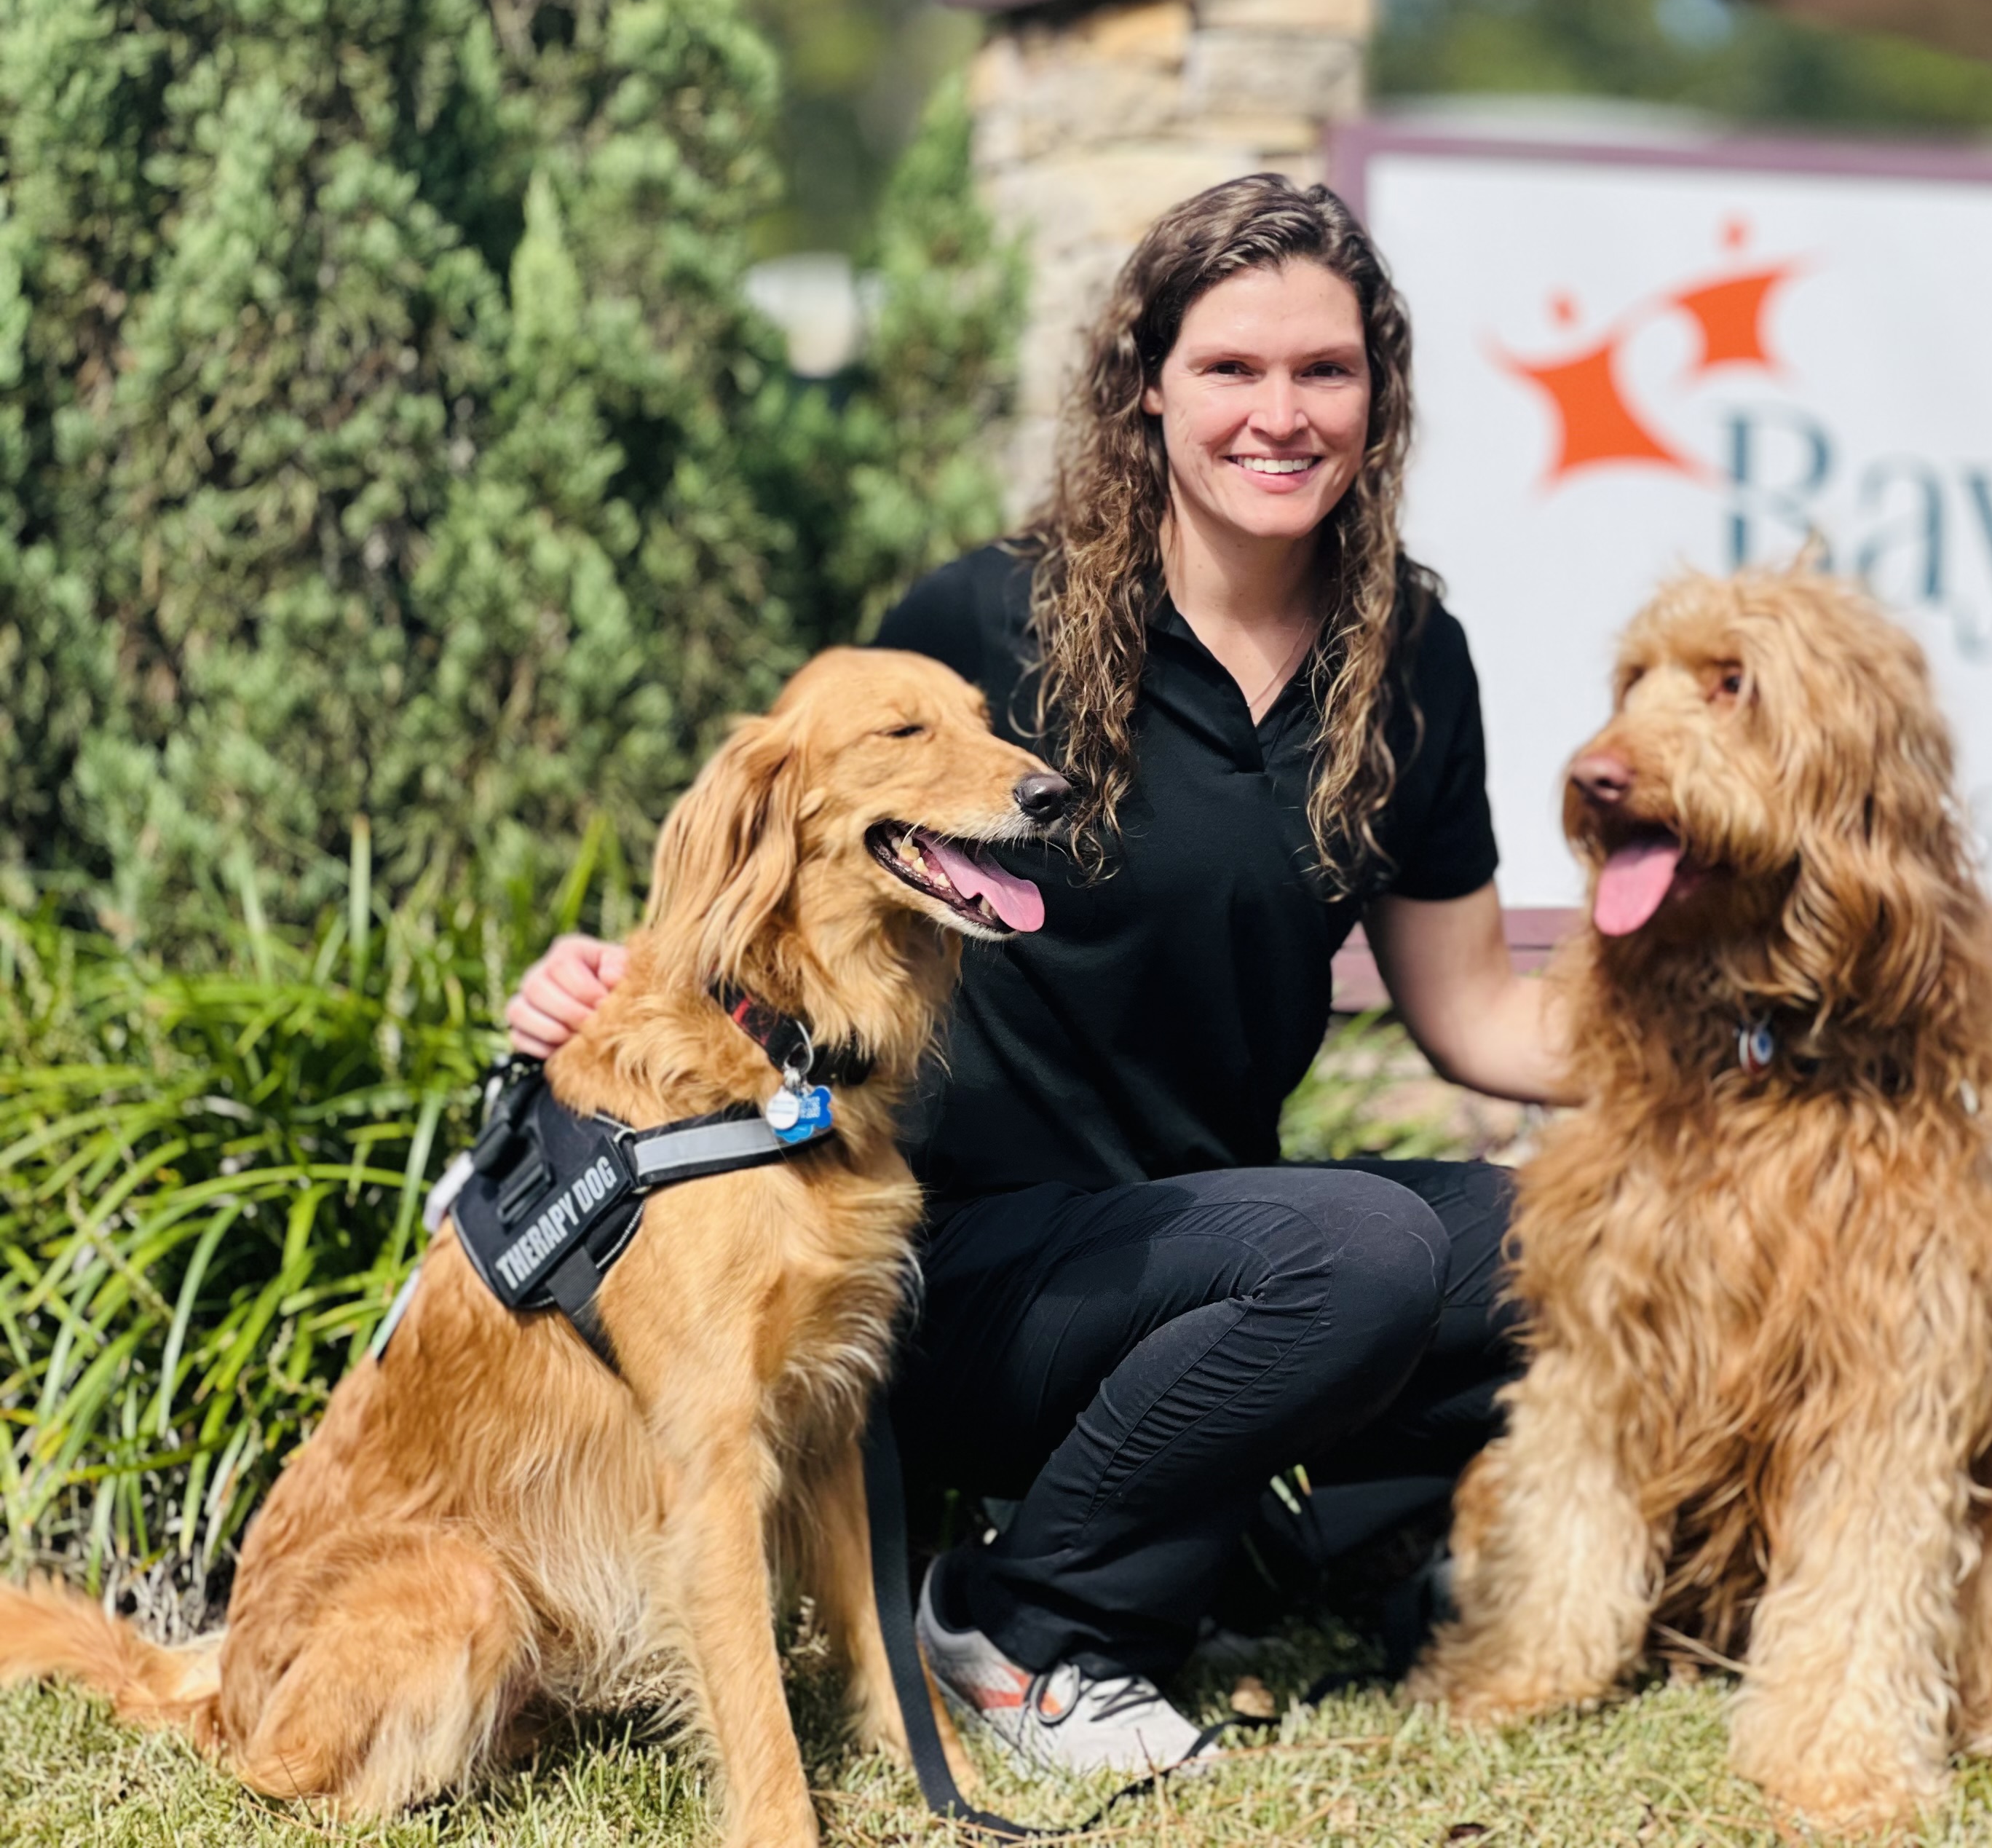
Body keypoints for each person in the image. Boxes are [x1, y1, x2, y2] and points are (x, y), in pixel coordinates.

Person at [505, 173, 1568, 1777]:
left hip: (1217, 1239)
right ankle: (1030, 1621)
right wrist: (598, 980)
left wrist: (1750, 1055)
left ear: (1378, 395)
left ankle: (1296, 1551)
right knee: (1354, 1252)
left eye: (1323, 373)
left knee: (1556, 1232)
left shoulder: (1409, 659)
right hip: (959, 1265)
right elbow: (779, 846)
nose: (1280, 414)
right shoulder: (984, 625)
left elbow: (1481, 1008)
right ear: (1149, 385)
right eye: (1232, 370)